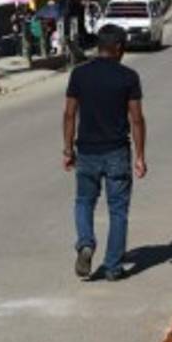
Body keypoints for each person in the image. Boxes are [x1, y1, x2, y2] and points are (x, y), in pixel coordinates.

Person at [63, 24, 147, 282]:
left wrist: (68, 149)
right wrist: (140, 156)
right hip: (117, 152)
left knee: (84, 202)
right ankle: (112, 267)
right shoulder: (128, 77)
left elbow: (69, 114)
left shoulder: (79, 74)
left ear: (99, 46)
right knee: (118, 210)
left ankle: (86, 243)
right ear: (119, 48)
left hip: (86, 150)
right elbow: (136, 119)